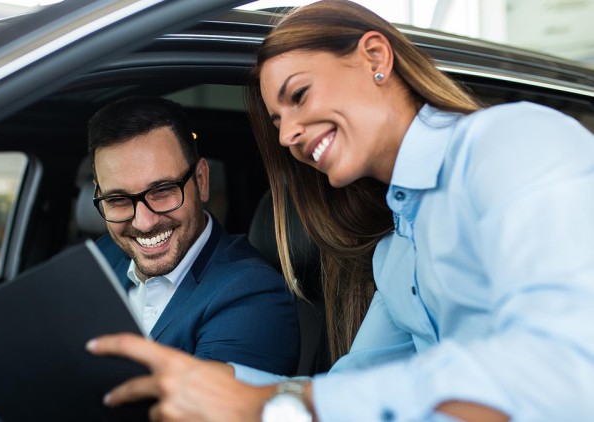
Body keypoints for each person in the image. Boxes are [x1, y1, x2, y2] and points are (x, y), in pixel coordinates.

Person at [86, 1, 594, 421]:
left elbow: (565, 367)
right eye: (278, 119)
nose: (288, 135)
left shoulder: (512, 143)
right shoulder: (396, 253)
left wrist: (280, 406)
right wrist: (213, 379)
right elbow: (353, 385)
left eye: (299, 95)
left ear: (375, 56)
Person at [0, 96, 300, 421]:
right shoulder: (101, 255)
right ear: (97, 198)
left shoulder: (252, 297)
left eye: (162, 191)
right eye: (119, 200)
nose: (143, 222)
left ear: (200, 181)